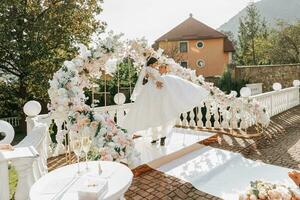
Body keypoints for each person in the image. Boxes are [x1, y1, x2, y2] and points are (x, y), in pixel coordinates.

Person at [120, 57, 209, 145]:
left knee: (165, 104)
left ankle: (161, 136)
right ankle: (156, 137)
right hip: (153, 87)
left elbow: (156, 76)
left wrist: (159, 79)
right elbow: (150, 76)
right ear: (151, 63)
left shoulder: (154, 69)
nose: (157, 65)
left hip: (158, 87)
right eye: (155, 63)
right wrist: (156, 82)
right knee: (155, 113)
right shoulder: (148, 68)